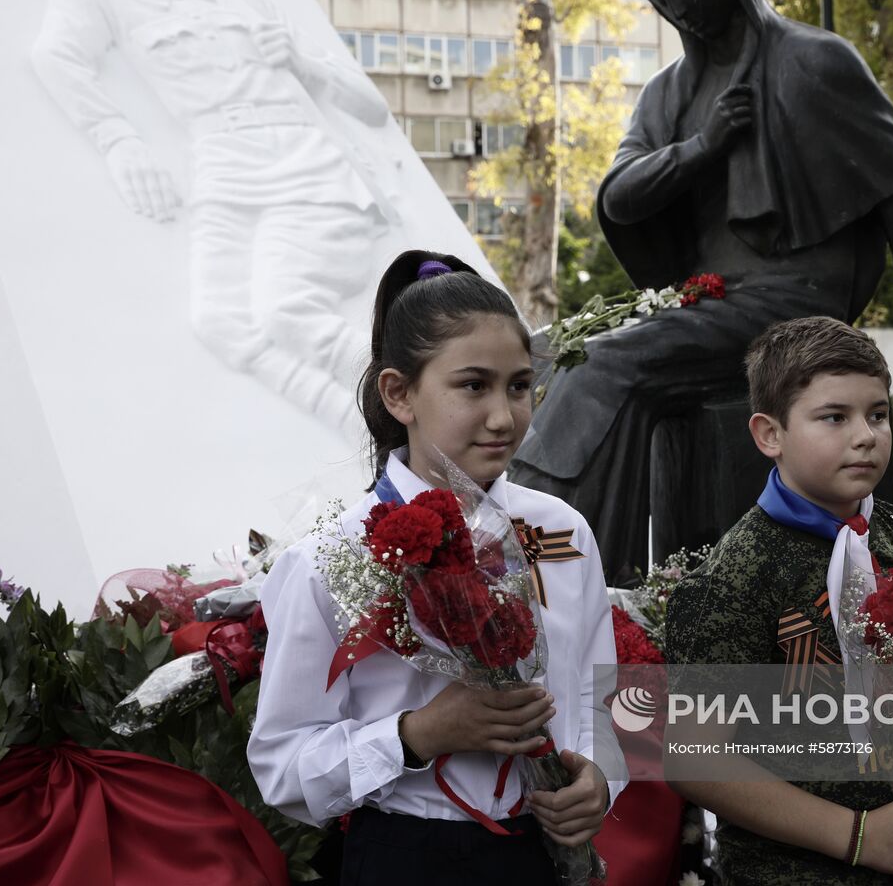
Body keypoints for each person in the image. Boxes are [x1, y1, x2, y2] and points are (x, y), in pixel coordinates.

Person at [510, 0, 893, 577]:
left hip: (793, 301)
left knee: (601, 365)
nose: (675, 7)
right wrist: (700, 148)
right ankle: (535, 554)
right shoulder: (668, 94)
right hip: (708, 297)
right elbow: (619, 194)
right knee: (544, 355)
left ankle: (557, 572)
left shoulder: (814, 61)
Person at [247, 251, 624, 882]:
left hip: (540, 851)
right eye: (473, 386)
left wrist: (600, 778)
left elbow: (601, 695)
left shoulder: (561, 531)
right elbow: (283, 769)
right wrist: (415, 734)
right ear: (399, 394)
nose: (503, 417)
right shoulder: (331, 557)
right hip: (405, 856)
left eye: (519, 386)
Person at [26, 0, 398, 429]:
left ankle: (417, 405)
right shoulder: (99, 0)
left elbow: (372, 109)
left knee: (286, 309)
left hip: (301, 161)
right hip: (222, 169)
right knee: (218, 321)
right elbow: (54, 56)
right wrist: (118, 140)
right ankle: (362, 430)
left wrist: (302, 63)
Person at [663, 317, 893, 886]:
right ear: (770, 434)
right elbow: (696, 759)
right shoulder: (736, 576)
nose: (866, 436)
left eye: (878, 414)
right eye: (834, 417)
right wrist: (861, 837)